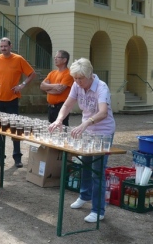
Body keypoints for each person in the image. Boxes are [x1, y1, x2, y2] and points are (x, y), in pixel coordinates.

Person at [49, 58, 115, 223]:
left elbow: (103, 112)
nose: (78, 82)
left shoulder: (101, 87)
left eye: (80, 78)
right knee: (85, 165)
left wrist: (86, 123)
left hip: (103, 132)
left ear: (90, 74)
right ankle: (85, 195)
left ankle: (98, 210)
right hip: (86, 130)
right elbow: (67, 105)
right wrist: (59, 120)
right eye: (75, 78)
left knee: (97, 170)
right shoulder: (77, 85)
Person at [0, 37, 36, 168]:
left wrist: (22, 85)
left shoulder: (18, 59)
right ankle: (0, 157)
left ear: (10, 46)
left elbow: (32, 74)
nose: (3, 48)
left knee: (15, 128)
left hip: (12, 99)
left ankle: (17, 157)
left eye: (5, 46)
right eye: (1, 46)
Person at [40, 50, 74, 125]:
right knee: (51, 128)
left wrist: (47, 89)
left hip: (61, 107)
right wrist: (54, 86)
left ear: (64, 60)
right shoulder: (52, 73)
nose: (55, 59)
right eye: (55, 57)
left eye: (57, 57)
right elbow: (42, 86)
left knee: (61, 128)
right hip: (50, 107)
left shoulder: (68, 73)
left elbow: (59, 91)